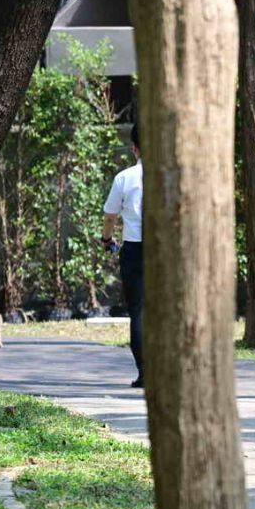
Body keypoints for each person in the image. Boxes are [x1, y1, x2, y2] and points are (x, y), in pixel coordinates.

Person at [102, 124, 144, 388]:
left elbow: (110, 215)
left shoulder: (125, 178)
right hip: (167, 251)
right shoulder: (173, 174)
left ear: (134, 148)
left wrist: (107, 239)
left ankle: (145, 373)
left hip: (135, 250)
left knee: (138, 311)